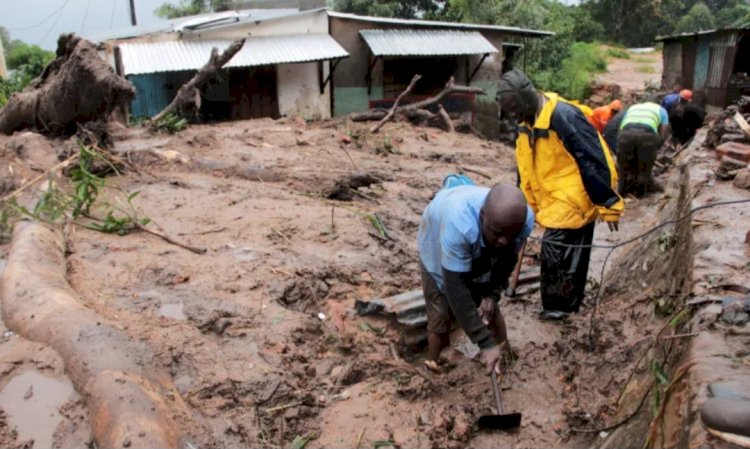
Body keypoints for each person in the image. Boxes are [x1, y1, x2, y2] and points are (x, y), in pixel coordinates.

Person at [495, 69, 623, 320]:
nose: (513, 115)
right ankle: (563, 303)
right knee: (565, 253)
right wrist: (524, 200)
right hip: (551, 194)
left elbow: (593, 159)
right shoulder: (524, 122)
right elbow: (524, 164)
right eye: (508, 110)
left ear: (527, 96)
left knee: (556, 246)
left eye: (514, 108)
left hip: (576, 193)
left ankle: (559, 309)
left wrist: (607, 202)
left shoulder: (563, 116)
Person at [417, 180, 534, 375]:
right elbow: (456, 289)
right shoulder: (459, 226)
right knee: (441, 308)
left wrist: (491, 295)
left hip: (476, 234)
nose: (504, 240)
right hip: (436, 236)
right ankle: (436, 366)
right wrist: (485, 343)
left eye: (510, 235)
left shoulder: (522, 221)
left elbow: (507, 261)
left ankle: (504, 356)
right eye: (497, 233)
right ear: (482, 216)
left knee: (487, 307)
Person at [617, 98, 670, 196]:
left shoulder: (633, 107)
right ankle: (640, 196)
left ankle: (621, 192)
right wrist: (655, 148)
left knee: (623, 168)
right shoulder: (662, 110)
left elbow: (621, 127)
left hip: (625, 133)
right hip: (647, 134)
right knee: (645, 169)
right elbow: (664, 132)